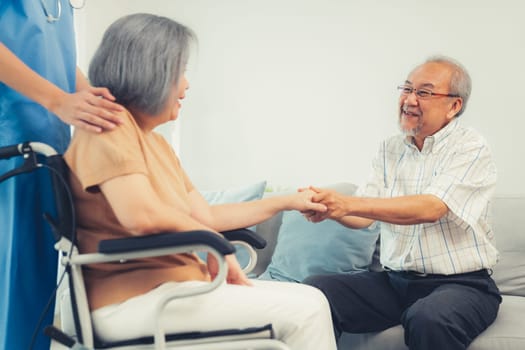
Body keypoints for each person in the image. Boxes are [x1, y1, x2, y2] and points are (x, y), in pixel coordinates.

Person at [63, 13, 337, 349]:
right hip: (132, 300)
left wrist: (286, 201)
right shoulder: (109, 128)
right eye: (180, 73)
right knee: (307, 310)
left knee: (311, 301)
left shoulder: (155, 142)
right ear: (152, 73)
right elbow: (141, 216)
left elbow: (205, 216)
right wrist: (211, 241)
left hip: (173, 291)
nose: (186, 85)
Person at [304, 56, 501, 350]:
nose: (409, 99)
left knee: (429, 318)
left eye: (424, 92)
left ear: (454, 106)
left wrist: (349, 204)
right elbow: (364, 216)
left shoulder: (471, 147)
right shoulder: (390, 148)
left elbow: (431, 208)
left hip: (463, 285)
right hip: (395, 284)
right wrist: (331, 208)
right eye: (407, 89)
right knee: (314, 292)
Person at [0, 1, 123, 349]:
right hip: (12, 144)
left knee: (36, 285)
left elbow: (54, 58)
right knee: (13, 284)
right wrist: (58, 101)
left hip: (49, 149)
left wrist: (87, 96)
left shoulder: (62, 6)